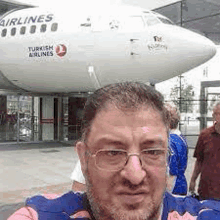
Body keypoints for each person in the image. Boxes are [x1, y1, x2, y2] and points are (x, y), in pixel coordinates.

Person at [8, 82, 220, 220]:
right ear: (83, 158)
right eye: (113, 152)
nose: (135, 175)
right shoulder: (41, 215)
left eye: (152, 152)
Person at [189, 102, 220, 200]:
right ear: (213, 116)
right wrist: (193, 180)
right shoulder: (204, 135)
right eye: (217, 114)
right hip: (207, 192)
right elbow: (199, 161)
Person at [166, 104, 188, 195]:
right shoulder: (181, 138)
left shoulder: (169, 141)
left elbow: (172, 170)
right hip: (181, 184)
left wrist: (168, 193)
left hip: (174, 189)